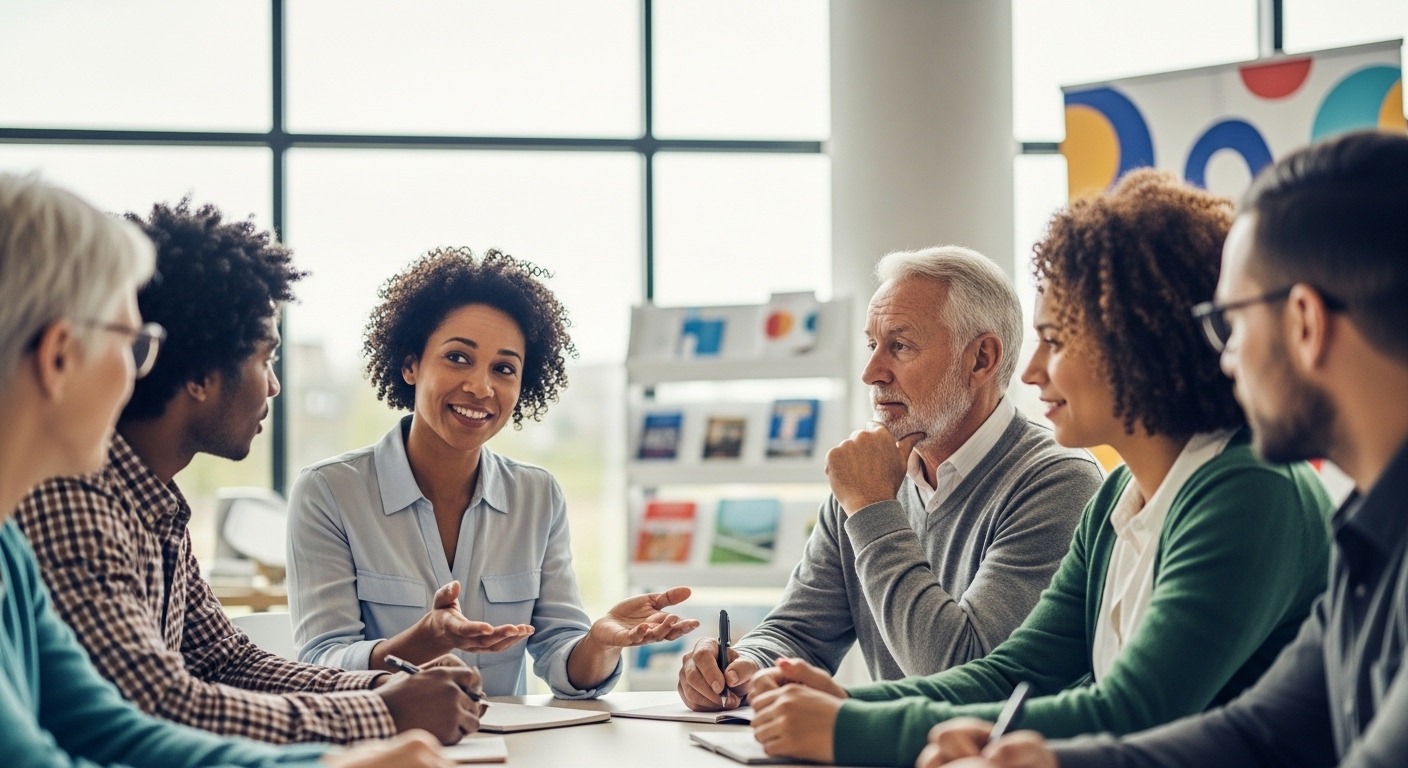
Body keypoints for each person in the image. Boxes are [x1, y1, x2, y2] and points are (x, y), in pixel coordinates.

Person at [743, 169, 1334, 766]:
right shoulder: (1120, 496)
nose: (1030, 371)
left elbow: (1131, 710)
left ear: (1135, 343)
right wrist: (851, 705)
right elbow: (1016, 673)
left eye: (1055, 338)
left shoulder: (1247, 489)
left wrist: (850, 729)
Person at [922, 130, 1408, 768]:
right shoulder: (1368, 536)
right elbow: (1264, 732)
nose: (1223, 355)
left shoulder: (1259, 492)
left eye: (1229, 321)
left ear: (1305, 323)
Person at [0, 173, 449, 768]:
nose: (139, 368)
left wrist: (367, 718)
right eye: (133, 342)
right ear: (59, 355)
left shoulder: (16, 547)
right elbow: (142, 710)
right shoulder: (67, 504)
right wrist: (381, 716)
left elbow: (120, 721)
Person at [677, 245, 1104, 711]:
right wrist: (743, 667)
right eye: (872, 345)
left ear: (981, 359)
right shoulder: (872, 473)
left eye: (899, 346)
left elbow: (965, 674)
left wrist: (872, 508)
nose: (870, 373)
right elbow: (799, 630)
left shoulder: (1058, 482)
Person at [287, 247, 699, 698]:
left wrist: (600, 644)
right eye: (458, 358)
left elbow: (562, 657)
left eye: (504, 368)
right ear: (411, 365)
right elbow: (322, 661)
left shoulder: (537, 496)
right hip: (380, 743)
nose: (481, 387)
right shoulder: (329, 491)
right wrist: (427, 639)